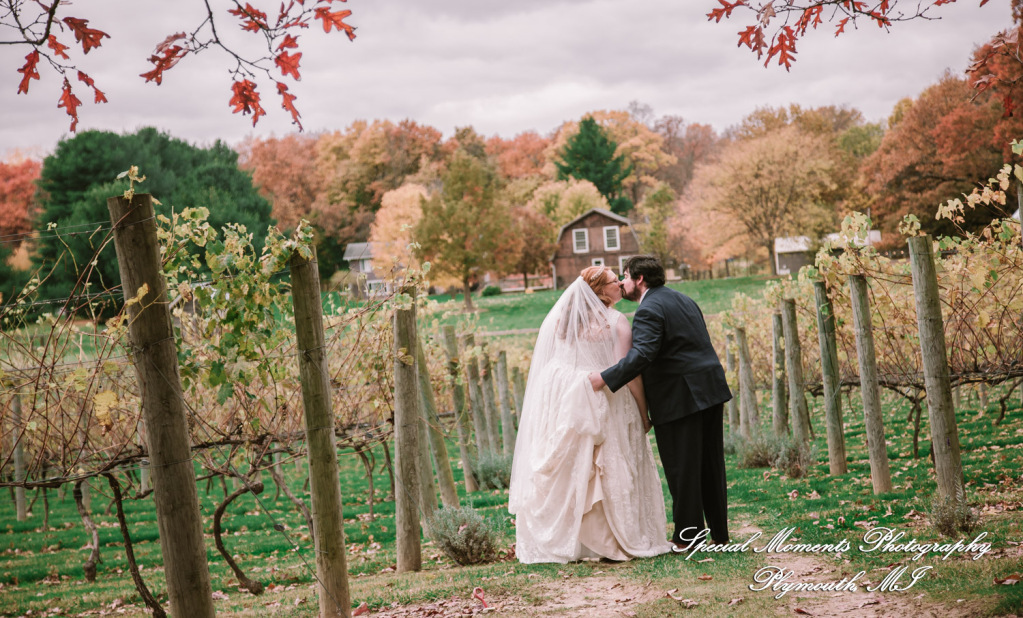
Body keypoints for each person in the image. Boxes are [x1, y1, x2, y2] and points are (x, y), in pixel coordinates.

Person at [509, 266, 671, 563]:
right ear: (599, 291)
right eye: (614, 281)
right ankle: (608, 539)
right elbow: (627, 373)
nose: (621, 284)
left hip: (566, 401)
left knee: (573, 465)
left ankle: (576, 541)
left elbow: (556, 365)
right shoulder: (616, 322)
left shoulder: (562, 321)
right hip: (606, 401)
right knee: (610, 465)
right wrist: (643, 412)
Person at [588, 255, 732, 550]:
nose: (623, 283)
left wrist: (605, 378)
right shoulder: (683, 299)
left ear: (639, 279)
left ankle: (688, 538)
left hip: (680, 396)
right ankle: (719, 533)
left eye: (625, 277)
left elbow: (642, 354)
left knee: (683, 467)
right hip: (709, 388)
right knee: (710, 464)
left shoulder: (648, 309)